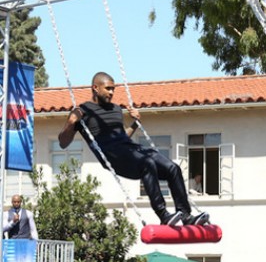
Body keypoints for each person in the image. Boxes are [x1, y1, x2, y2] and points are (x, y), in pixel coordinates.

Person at [58, 72, 208, 226]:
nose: (111, 92)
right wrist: (71, 122)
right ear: (95, 88)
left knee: (173, 168)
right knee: (147, 163)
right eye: (108, 89)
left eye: (113, 89)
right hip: (111, 156)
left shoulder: (116, 109)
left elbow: (123, 135)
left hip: (130, 150)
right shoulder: (83, 111)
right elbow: (63, 142)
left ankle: (186, 216)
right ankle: (163, 215)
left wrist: (135, 123)